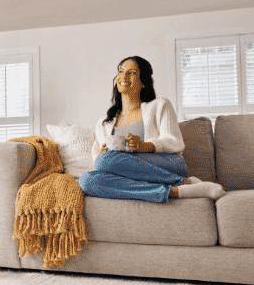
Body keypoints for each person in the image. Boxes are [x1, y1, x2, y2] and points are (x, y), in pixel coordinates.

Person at [79, 56, 225, 203]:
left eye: (131, 73)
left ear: (143, 82)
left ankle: (180, 180)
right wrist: (104, 153)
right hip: (126, 172)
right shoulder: (104, 123)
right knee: (87, 180)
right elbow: (99, 162)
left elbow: (175, 142)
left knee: (105, 160)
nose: (123, 76)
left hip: (166, 165)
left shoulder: (159, 105)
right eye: (121, 71)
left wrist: (144, 146)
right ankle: (176, 190)